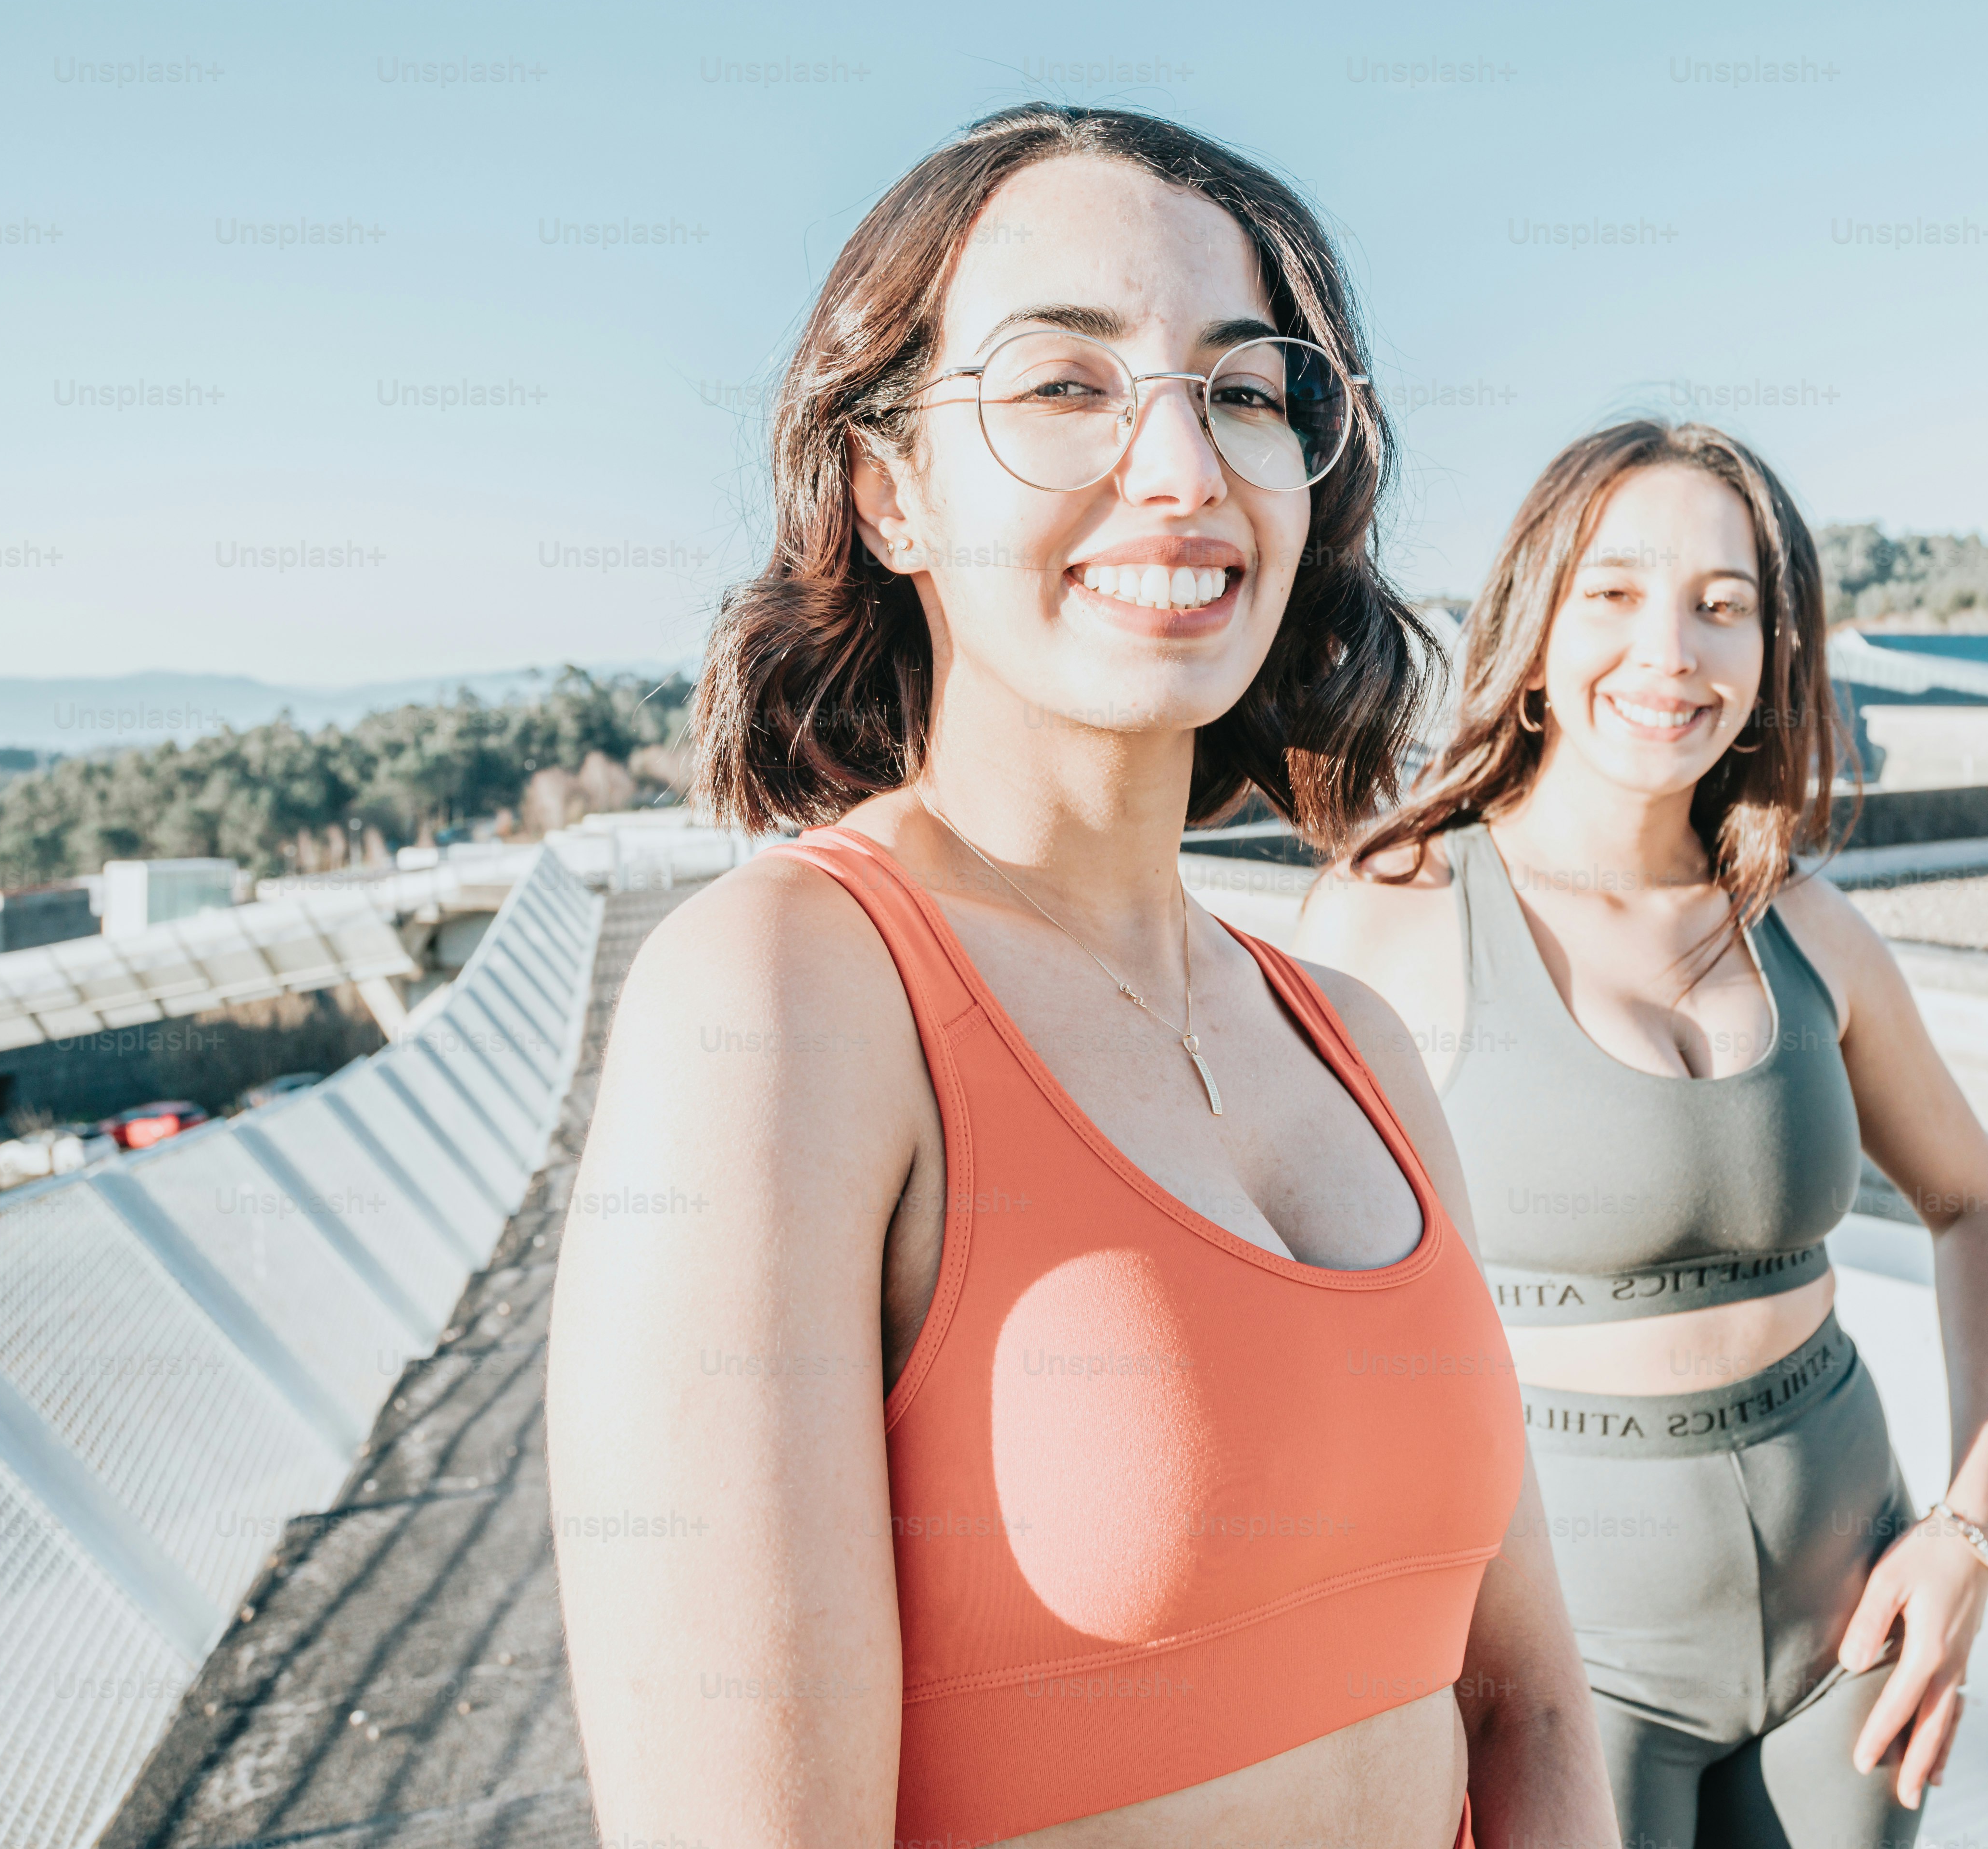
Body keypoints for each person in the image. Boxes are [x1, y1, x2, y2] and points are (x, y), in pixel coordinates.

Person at [547, 105, 1618, 1849]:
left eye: (1246, 390)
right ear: (888, 489)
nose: (1183, 468)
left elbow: (1529, 1705)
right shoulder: (788, 1002)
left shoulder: (1353, 1044)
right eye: (1065, 386)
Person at [1294, 420, 1988, 1848]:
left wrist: (1967, 1532)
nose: (1672, 653)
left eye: (1723, 607)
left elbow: (1981, 1212)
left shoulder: (1812, 930)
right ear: (1534, 620)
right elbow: (1323, 1327)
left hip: (1854, 1627)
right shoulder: (1394, 913)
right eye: (1617, 593)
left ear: (1775, 649)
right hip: (1568, 1657)